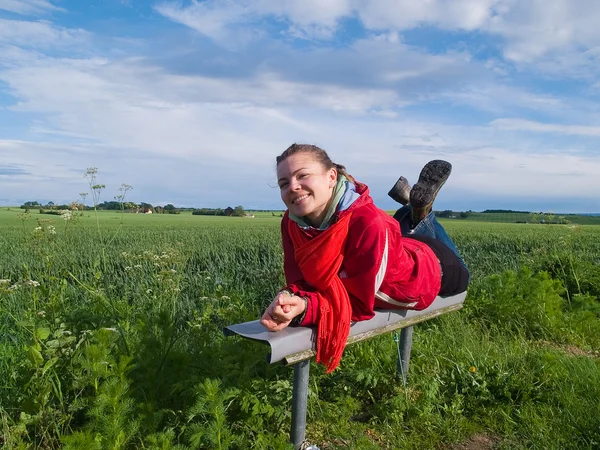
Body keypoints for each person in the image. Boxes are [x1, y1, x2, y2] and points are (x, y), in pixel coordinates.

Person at [260, 143, 469, 372]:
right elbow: (298, 281)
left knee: (463, 274)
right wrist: (288, 298)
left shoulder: (368, 222)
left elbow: (359, 304)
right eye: (283, 183)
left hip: (430, 269)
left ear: (331, 176)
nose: (293, 187)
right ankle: (412, 208)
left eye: (303, 176)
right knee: (400, 231)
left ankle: (420, 211)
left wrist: (306, 305)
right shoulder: (292, 223)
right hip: (395, 248)